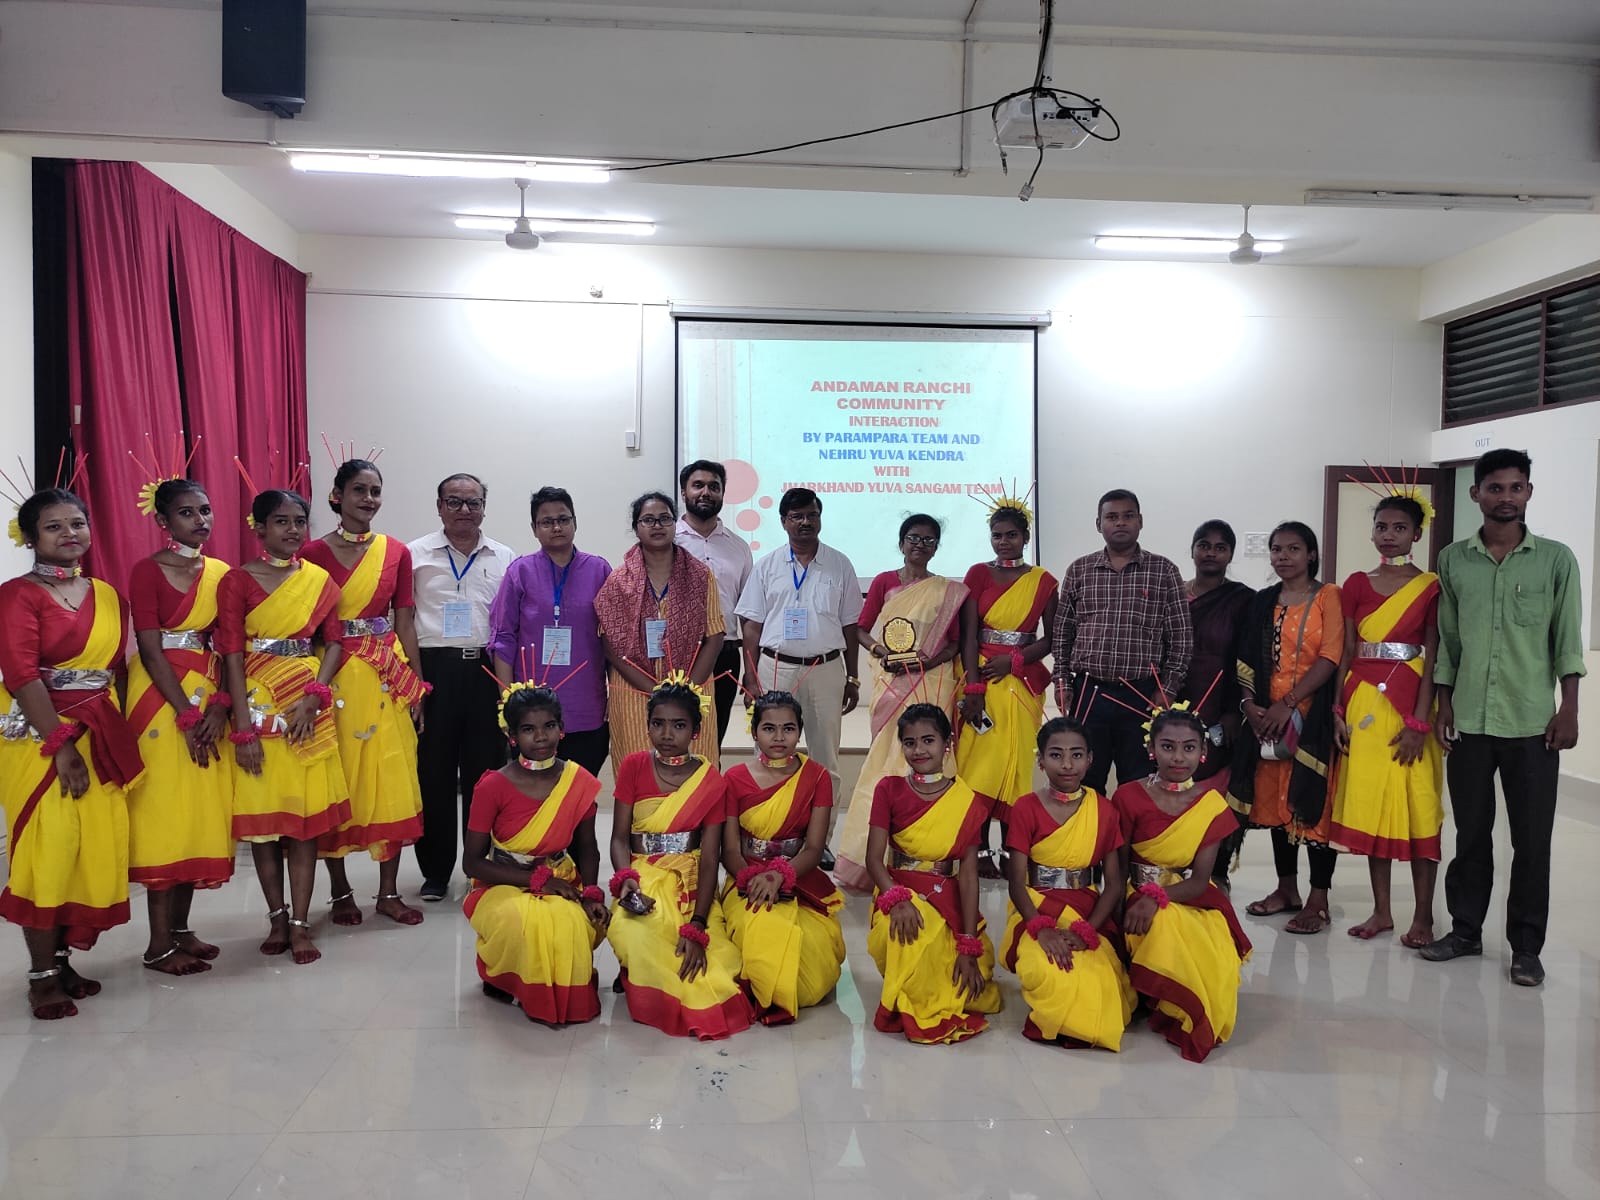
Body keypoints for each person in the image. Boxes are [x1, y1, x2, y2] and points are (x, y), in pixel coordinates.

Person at [1424, 449, 1584, 988]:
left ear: (1529, 493)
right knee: (1471, 835)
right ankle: (1465, 931)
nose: (1506, 497)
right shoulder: (1453, 560)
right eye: (1495, 488)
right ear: (1476, 494)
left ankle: (1526, 948)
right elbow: (1449, 641)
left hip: (1533, 725)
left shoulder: (1555, 560)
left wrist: (1570, 708)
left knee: (1532, 842)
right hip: (1469, 721)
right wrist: (1444, 704)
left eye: (1516, 487)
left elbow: (1567, 641)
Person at [0, 488, 141, 1020]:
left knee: (90, 848)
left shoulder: (108, 596)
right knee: (48, 850)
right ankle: (40, 977)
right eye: (54, 526)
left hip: (98, 730)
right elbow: (21, 675)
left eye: (77, 523)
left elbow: (117, 673)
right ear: (30, 537)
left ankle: (60, 962)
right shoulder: (17, 595)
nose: (69, 534)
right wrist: (60, 745)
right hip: (40, 738)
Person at [219, 490, 352, 967]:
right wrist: (243, 730)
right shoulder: (237, 581)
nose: (292, 530)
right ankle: (276, 917)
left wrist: (315, 696)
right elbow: (231, 654)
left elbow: (334, 644)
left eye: (299, 521)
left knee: (302, 823)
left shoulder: (317, 580)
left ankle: (300, 923)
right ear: (258, 528)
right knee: (265, 824)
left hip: (305, 706)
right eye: (281, 521)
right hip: (258, 704)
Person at [302, 459, 427, 928]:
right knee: (339, 779)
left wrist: (417, 687)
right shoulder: (311, 553)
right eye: (359, 490)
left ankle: (389, 892)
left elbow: (405, 621)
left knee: (392, 777)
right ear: (337, 496)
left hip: (386, 674)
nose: (368, 499)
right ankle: (340, 892)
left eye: (375, 491)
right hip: (333, 673)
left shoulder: (396, 552)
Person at [125, 478, 234, 976]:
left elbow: (229, 645)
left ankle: (181, 930)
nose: (200, 520)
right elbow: (150, 649)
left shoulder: (222, 573)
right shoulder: (146, 571)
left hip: (207, 691)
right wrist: (185, 714)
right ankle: (157, 944)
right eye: (187, 513)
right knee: (166, 816)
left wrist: (219, 706)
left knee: (197, 813)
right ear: (163, 521)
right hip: (159, 698)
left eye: (205, 510)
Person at [607, 680, 753, 1039]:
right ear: (647, 725)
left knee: (712, 963)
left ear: (696, 731)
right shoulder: (634, 766)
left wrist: (698, 924)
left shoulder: (709, 780)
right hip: (642, 875)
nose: (667, 734)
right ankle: (637, 971)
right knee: (634, 930)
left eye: (679, 725)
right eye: (658, 724)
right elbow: (620, 838)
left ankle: (650, 975)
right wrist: (626, 880)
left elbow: (710, 858)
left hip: (690, 879)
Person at [1329, 495, 1443, 947]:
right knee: (1373, 805)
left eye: (1399, 528)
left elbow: (1433, 656)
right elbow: (1347, 651)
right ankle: (1381, 911)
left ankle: (1423, 917)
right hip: (1363, 703)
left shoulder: (1430, 587)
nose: (1389, 535)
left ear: (1417, 534)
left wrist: (1419, 723)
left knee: (1419, 806)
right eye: (1382, 526)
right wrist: (1338, 710)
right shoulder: (1357, 583)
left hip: (1410, 702)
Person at [834, 514, 969, 891]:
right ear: (901, 542)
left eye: (928, 540)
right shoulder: (883, 581)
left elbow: (955, 643)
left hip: (931, 683)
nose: (920, 545)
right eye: (914, 538)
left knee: (931, 757)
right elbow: (861, 628)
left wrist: (928, 662)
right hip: (893, 680)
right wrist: (881, 652)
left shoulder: (946, 590)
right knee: (886, 761)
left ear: (936, 547)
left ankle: (928, 851)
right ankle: (871, 858)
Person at [462, 684, 609, 1025]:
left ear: (562, 728)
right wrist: (537, 881)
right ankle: (506, 978)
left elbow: (588, 848)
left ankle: (564, 996)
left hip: (563, 878)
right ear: (512, 736)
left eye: (549, 726)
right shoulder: (493, 785)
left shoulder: (577, 780)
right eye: (529, 729)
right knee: (522, 920)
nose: (541, 736)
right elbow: (472, 862)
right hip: (502, 883)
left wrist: (590, 894)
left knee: (569, 921)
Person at [1114, 708, 1252, 1062]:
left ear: (1203, 751)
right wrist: (1123, 911)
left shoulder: (1210, 804)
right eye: (1168, 747)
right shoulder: (1128, 795)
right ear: (1151, 749)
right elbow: (1117, 870)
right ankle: (1162, 996)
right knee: (1164, 923)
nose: (1178, 757)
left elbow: (1200, 880)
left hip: (1185, 894)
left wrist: (1158, 896)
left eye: (1189, 748)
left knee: (1211, 939)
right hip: (1134, 890)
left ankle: (1190, 1006)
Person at [1228, 522, 1343, 935]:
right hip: (1266, 719)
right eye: (1276, 549)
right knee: (1279, 805)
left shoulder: (1329, 596)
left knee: (1313, 803)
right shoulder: (1263, 600)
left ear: (1311, 554)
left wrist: (1288, 704)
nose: (1283, 557)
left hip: (1311, 717)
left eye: (1293, 549)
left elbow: (1330, 656)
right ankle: (1286, 890)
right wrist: (1250, 706)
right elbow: (1244, 656)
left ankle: (1318, 900)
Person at [735, 487, 863, 862]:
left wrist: (853, 677)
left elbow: (851, 625)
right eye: (796, 516)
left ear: (820, 518)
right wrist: (751, 675)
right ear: (783, 522)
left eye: (811, 515)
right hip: (776, 666)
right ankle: (766, 832)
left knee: (826, 759)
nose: (805, 522)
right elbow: (751, 626)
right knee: (769, 753)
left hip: (826, 668)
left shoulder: (840, 565)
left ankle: (819, 842)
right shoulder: (767, 566)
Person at [864, 703, 1002, 1044]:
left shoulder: (967, 801)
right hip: (896, 891)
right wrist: (896, 900)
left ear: (947, 744)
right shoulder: (888, 789)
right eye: (910, 743)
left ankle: (923, 993)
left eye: (928, 740)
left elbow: (968, 876)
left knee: (967, 977)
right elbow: (874, 860)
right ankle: (918, 1007)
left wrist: (967, 943)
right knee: (907, 934)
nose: (919, 750)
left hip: (947, 898)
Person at [409, 472, 513, 903]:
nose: (464, 510)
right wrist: (414, 683)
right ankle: (435, 872)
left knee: (484, 776)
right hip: (433, 672)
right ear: (439, 507)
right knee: (432, 775)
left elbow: (509, 624)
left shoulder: (504, 557)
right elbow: (403, 623)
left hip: (485, 673)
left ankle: (479, 866)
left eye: (473, 502)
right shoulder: (414, 555)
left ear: (484, 508)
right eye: (454, 501)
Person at [1002, 718, 1134, 1050]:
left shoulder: (1104, 810)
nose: (1066, 764)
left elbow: (1114, 884)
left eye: (1076, 755)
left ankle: (1081, 1023)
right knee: (1047, 967)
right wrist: (1040, 929)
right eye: (1056, 755)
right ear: (1041, 761)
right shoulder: (1025, 807)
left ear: (1090, 759)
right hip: (1034, 907)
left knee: (1098, 975)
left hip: (1087, 911)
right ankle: (1062, 1020)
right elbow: (1016, 882)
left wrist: (1087, 930)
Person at [1053, 489, 1193, 796]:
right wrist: (1062, 681)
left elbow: (1181, 637)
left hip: (1142, 695)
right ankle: (1092, 829)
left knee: (1139, 782)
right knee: (1085, 779)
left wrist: (1168, 688)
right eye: (1112, 517)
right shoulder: (1080, 570)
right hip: (1090, 692)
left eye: (1128, 516)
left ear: (1140, 521)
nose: (1120, 523)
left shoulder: (1164, 571)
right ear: (1098, 524)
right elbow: (1062, 632)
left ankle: (1132, 831)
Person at [721, 691, 846, 1024]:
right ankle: (769, 988)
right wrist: (751, 879)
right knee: (760, 925)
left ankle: (779, 987)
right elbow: (730, 850)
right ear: (754, 733)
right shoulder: (733, 779)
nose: (779, 737)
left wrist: (779, 876)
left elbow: (814, 849)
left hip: (799, 876)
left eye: (788, 728)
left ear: (800, 731)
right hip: (746, 878)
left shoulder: (817, 777)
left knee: (815, 948)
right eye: (769, 728)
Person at [956, 498, 1057, 877]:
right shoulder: (978, 573)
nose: (1003, 542)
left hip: (1022, 680)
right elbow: (968, 634)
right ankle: (980, 848)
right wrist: (974, 687)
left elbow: (1053, 638)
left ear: (1026, 537)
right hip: (981, 677)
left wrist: (1014, 661)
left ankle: (1014, 850)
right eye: (997, 535)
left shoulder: (1043, 581)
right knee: (980, 765)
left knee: (1015, 767)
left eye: (1011, 535)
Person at [594, 491, 725, 766]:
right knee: (639, 769)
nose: (657, 525)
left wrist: (686, 692)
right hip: (635, 691)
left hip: (692, 689)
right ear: (636, 528)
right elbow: (610, 645)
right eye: (648, 520)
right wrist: (655, 691)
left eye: (664, 518)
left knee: (695, 770)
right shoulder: (618, 581)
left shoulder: (700, 575)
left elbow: (714, 635)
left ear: (675, 524)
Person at [490, 487, 612, 777]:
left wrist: (614, 697)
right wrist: (507, 699)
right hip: (532, 710)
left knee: (580, 793)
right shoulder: (520, 571)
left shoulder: (599, 570)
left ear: (575, 523)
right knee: (534, 792)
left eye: (563, 519)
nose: (557, 527)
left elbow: (612, 640)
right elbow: (503, 638)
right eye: (547, 522)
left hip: (586, 704)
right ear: (534, 529)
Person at [1180, 519, 1254, 887]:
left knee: (1218, 788)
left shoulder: (1244, 600)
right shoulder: (1174, 594)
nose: (1211, 553)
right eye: (1204, 545)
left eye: (1220, 547)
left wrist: (1234, 712)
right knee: (1175, 779)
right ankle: (1175, 860)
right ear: (1192, 550)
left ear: (1231, 554)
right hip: (1175, 701)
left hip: (1223, 704)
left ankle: (1216, 869)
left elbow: (1248, 658)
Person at [676, 460, 753, 746]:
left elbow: (748, 615)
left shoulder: (739, 547)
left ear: (722, 493)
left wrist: (752, 671)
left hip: (725, 655)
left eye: (714, 486)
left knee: (713, 741)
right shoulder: (667, 542)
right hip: (678, 655)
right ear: (684, 492)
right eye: (698, 485)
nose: (706, 492)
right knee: (673, 738)